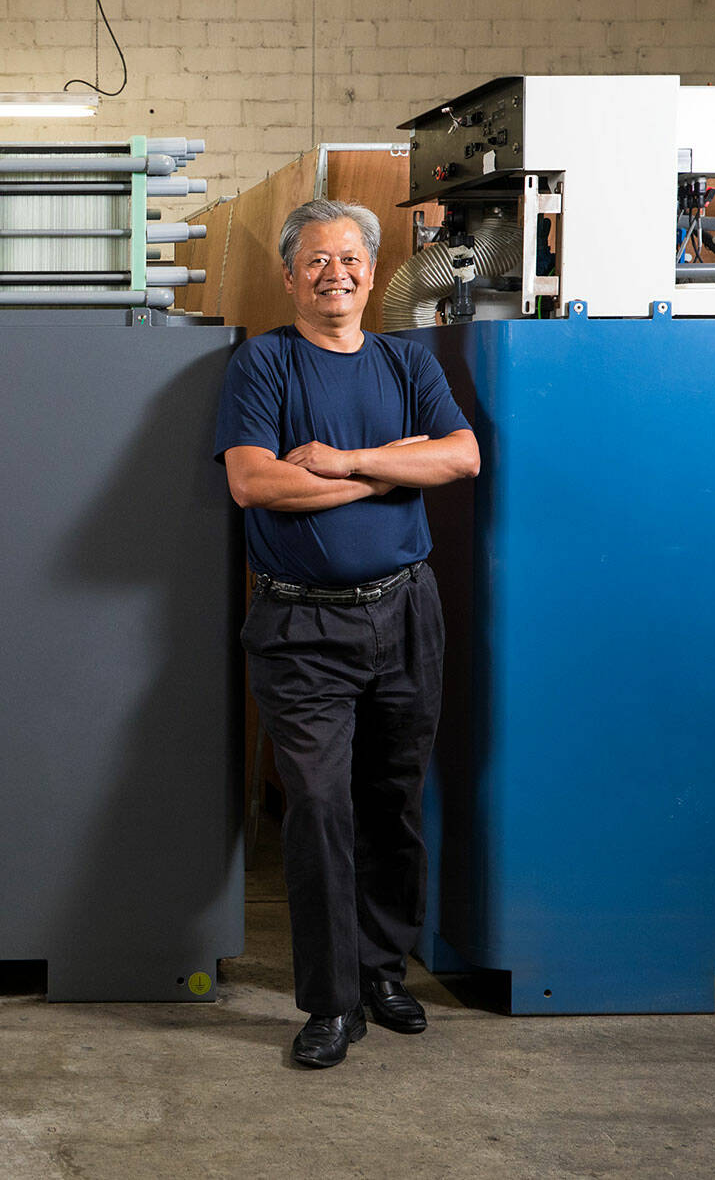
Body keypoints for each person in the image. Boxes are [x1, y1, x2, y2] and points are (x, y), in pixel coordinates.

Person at [212, 199, 479, 1070]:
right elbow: (254, 483)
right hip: (299, 623)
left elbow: (462, 457)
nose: (337, 272)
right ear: (291, 275)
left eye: (351, 257)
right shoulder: (266, 363)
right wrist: (387, 473)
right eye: (317, 260)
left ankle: (380, 971)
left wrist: (342, 460)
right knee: (321, 808)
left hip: (406, 610)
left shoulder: (407, 360)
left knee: (391, 800)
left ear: (372, 269)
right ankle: (330, 1002)